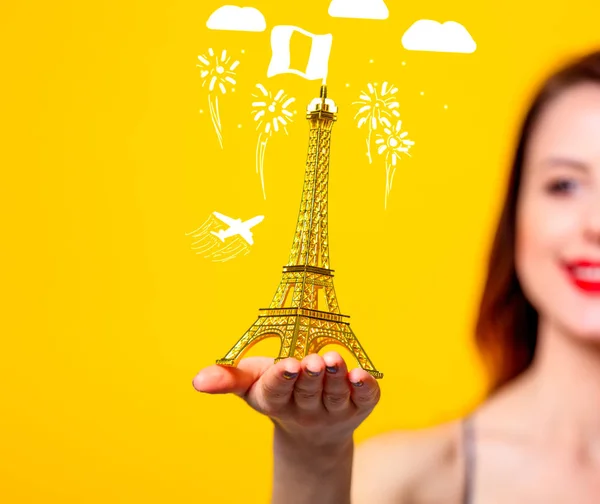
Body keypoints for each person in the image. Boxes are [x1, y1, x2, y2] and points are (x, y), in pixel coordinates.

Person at [192, 49, 600, 503]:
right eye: (564, 184)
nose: (596, 224)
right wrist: (312, 453)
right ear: (516, 214)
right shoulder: (398, 480)